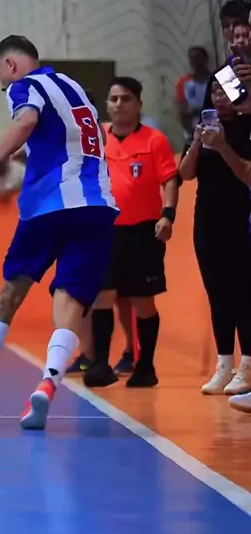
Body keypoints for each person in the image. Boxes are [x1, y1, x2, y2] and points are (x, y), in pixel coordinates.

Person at [0, 35, 118, 430]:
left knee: (11, 291)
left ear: (10, 65)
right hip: (97, 205)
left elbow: (26, 120)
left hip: (49, 205)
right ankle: (47, 385)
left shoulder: (25, 85)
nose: (2, 85)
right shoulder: (75, 88)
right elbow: (90, 139)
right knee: (70, 300)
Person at [83, 77, 178, 389]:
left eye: (125, 98)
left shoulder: (154, 140)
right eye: (113, 99)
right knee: (101, 296)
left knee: (142, 301)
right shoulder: (97, 138)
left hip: (142, 232)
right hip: (103, 230)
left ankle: (145, 366)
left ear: (139, 104)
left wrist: (168, 215)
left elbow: (169, 179)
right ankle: (99, 364)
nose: (119, 104)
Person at [182, 84, 251, 397]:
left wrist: (222, 146)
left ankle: (247, 364)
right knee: (216, 292)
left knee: (240, 291)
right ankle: (224, 364)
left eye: (226, 92)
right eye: (215, 92)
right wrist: (197, 143)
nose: (219, 97)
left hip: (238, 216)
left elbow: (246, 175)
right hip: (207, 219)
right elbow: (185, 173)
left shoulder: (244, 129)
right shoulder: (203, 129)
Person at [175, 46, 211, 143]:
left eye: (198, 57)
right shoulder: (184, 83)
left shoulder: (216, 79)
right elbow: (183, 112)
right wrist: (191, 133)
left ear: (206, 59)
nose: (196, 61)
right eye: (192, 58)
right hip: (194, 131)